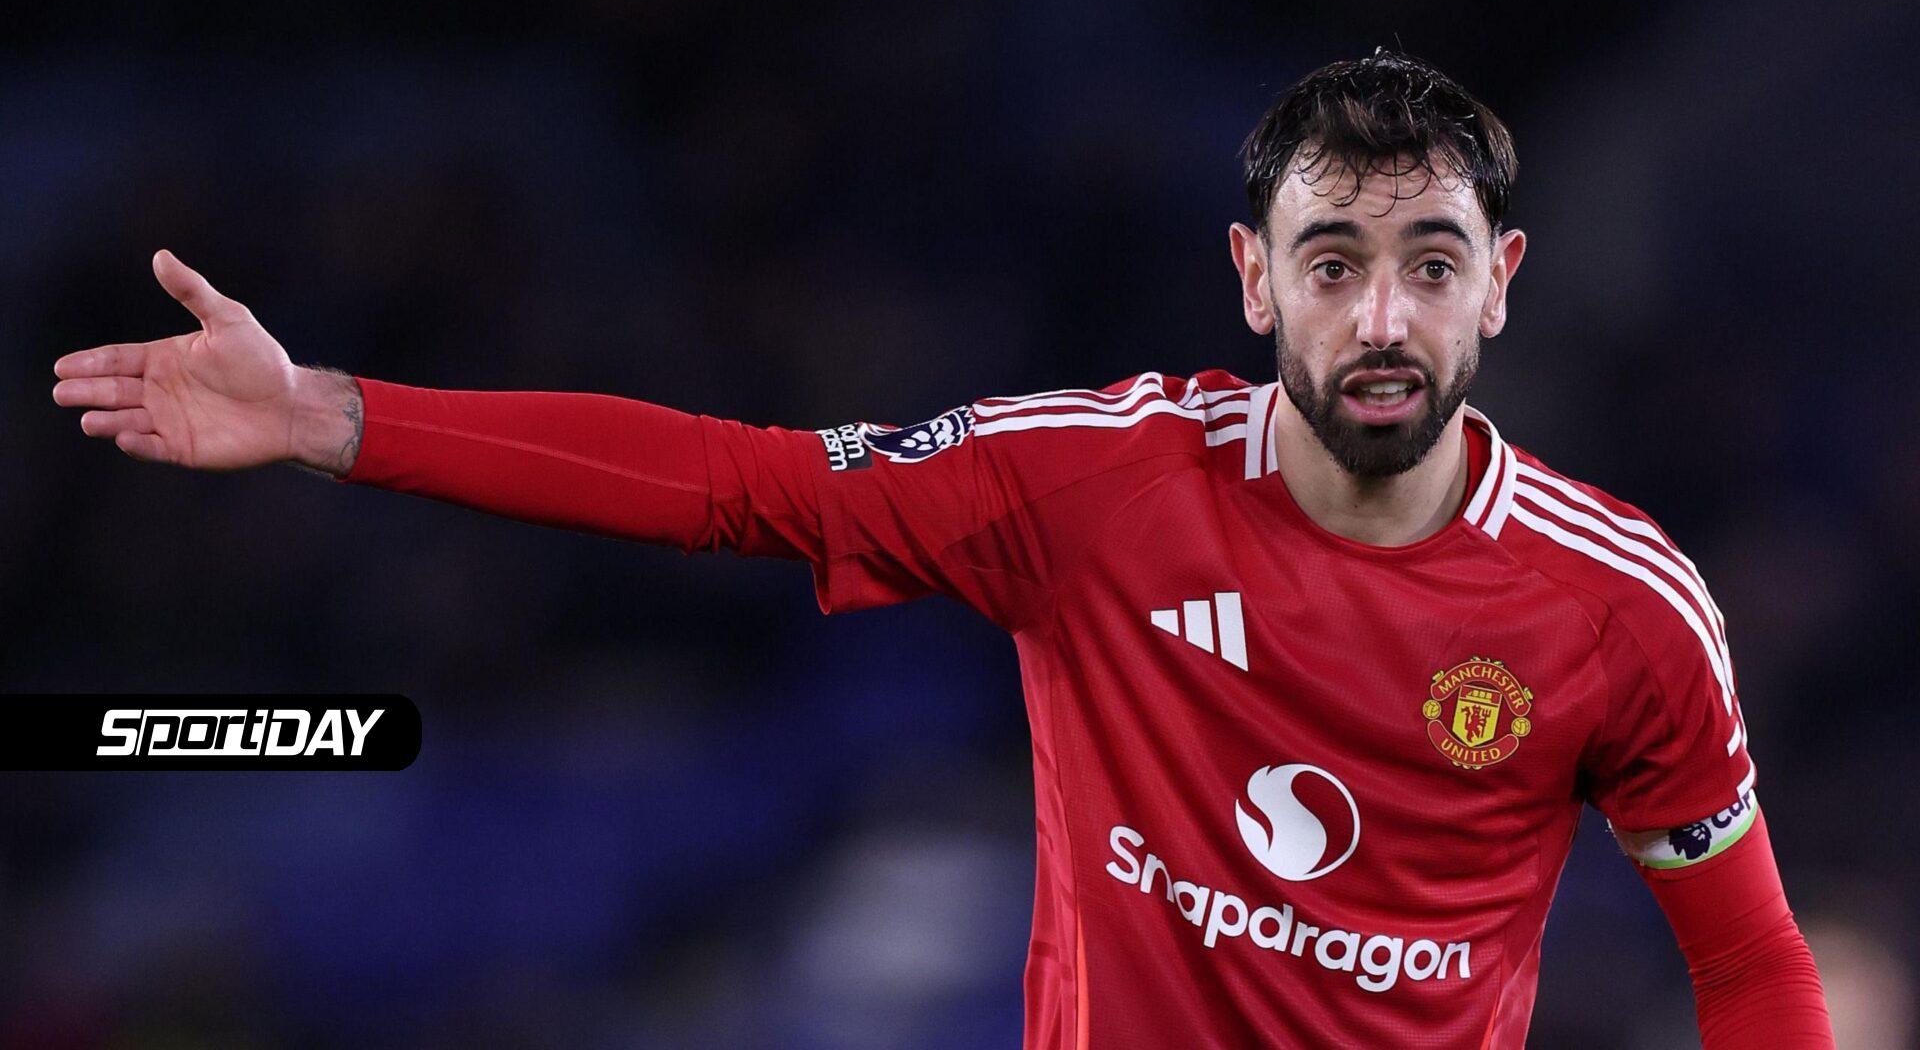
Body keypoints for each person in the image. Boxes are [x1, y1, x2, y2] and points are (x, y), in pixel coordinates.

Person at [51, 52, 1833, 1048]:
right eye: (1333, 261)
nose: (1383, 317)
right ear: (1252, 278)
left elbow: (1749, 963)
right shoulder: (1093, 486)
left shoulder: (1623, 610)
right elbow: (739, 483)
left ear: (1498, 285)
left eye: (1431, 264)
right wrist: (333, 414)